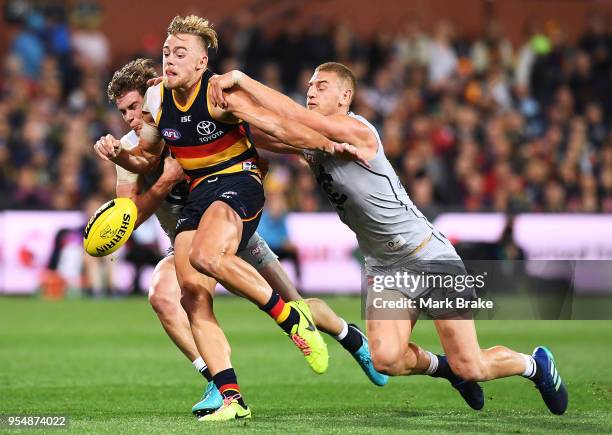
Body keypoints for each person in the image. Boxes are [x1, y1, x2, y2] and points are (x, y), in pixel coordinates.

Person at [208, 61, 569, 415]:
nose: (310, 91)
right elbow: (270, 129)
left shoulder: (357, 130)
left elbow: (291, 120)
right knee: (386, 359)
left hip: (427, 255)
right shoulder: (313, 142)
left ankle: (533, 365)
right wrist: (218, 110)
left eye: (321, 86)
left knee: (473, 366)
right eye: (309, 86)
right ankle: (446, 370)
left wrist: (241, 82)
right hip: (385, 267)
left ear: (345, 95)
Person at [94, 18, 373, 421]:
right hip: (199, 207)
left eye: (179, 53)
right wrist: (122, 157)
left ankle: (331, 331)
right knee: (190, 294)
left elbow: (272, 129)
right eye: (166, 52)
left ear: (201, 61)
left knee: (243, 276)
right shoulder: (152, 113)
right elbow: (138, 183)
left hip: (236, 189)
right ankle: (228, 394)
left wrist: (326, 144)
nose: (131, 119)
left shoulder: (217, 93)